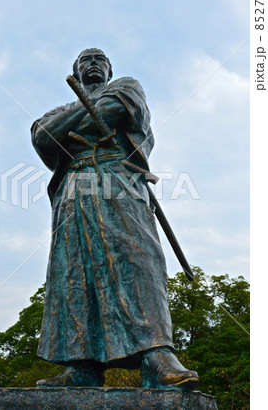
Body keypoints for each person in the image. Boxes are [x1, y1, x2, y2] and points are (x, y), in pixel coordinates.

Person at [31, 48, 199, 389]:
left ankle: (158, 356)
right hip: (73, 189)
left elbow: (109, 111)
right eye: (84, 60)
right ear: (75, 73)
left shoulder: (127, 86)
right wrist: (82, 114)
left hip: (118, 179)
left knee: (137, 259)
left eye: (99, 59)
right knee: (74, 271)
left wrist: (69, 125)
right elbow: (42, 137)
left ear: (109, 69)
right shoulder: (58, 111)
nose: (93, 62)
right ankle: (81, 366)